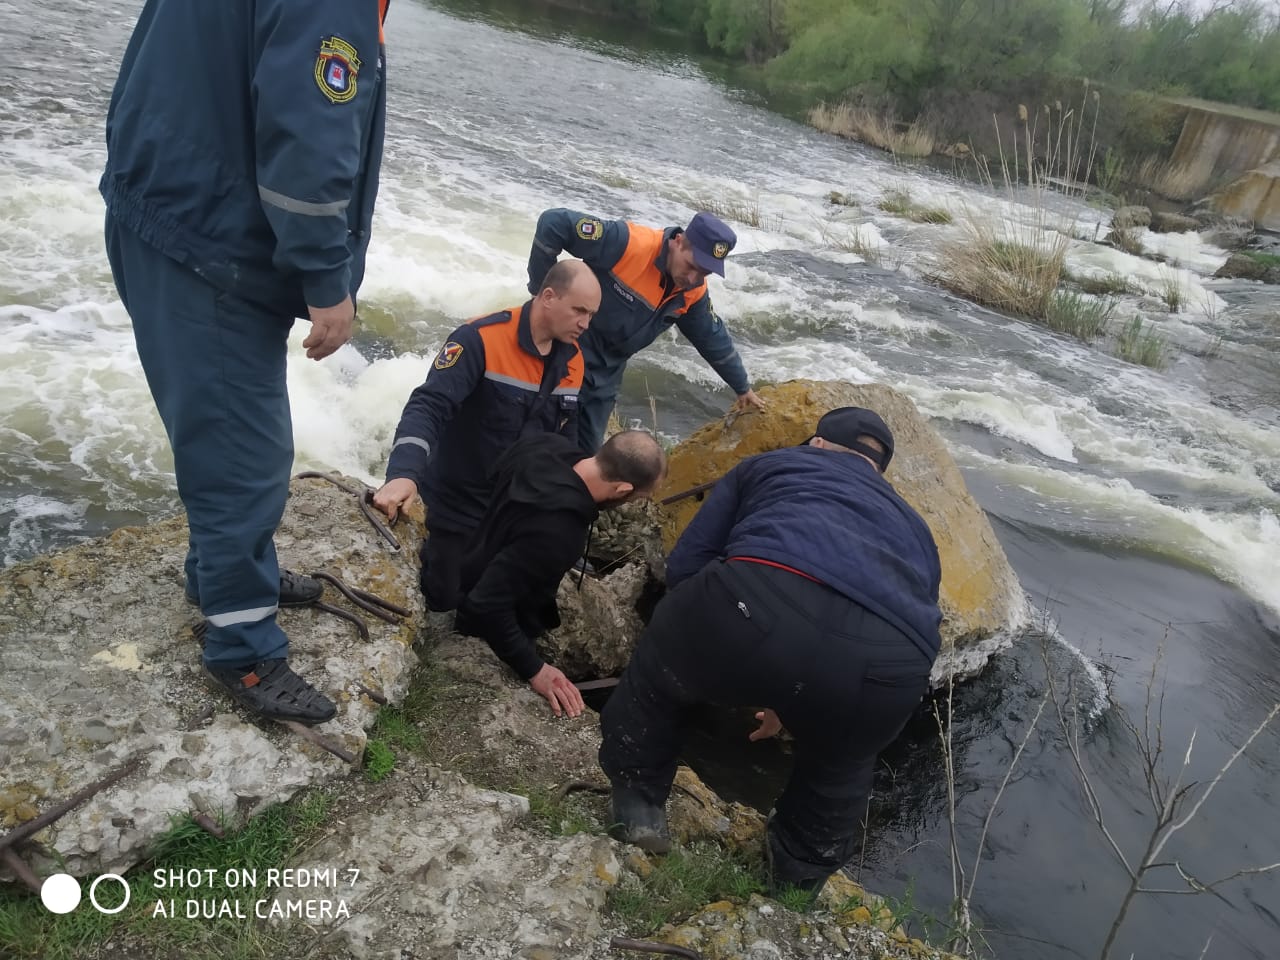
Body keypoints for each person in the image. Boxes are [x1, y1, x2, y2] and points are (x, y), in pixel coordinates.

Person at [100, 0, 391, 725]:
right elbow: (309, 132)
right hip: (212, 235)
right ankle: (245, 652)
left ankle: (222, 576)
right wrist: (327, 280)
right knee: (244, 451)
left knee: (218, 426)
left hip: (169, 197)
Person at [598, 407, 943, 896]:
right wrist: (793, 689)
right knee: (841, 764)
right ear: (878, 471)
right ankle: (797, 882)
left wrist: (724, 648)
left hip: (759, 599)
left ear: (818, 443)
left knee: (661, 672)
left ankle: (638, 810)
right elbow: (890, 612)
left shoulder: (773, 465)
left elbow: (687, 566)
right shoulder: (915, 527)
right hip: (893, 663)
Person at [372, 260, 601, 613]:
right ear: (548, 297)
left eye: (591, 314)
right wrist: (403, 473)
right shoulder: (480, 339)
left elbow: (563, 442)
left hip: (512, 509)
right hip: (454, 504)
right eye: (579, 311)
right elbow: (428, 407)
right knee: (444, 600)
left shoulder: (573, 360)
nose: (586, 324)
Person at [453, 430, 666, 718]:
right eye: (637, 497)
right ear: (622, 489)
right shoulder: (561, 533)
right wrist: (535, 669)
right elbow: (485, 605)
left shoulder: (542, 443)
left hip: (464, 555)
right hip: (481, 613)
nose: (633, 503)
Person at [526, 207, 767, 453]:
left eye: (704, 272)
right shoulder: (628, 244)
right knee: (534, 440)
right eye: (691, 265)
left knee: (586, 455)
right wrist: (541, 293)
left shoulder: (692, 293)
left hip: (606, 376)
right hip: (561, 354)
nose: (693, 277)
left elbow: (713, 339)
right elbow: (552, 223)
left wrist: (743, 388)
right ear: (678, 241)